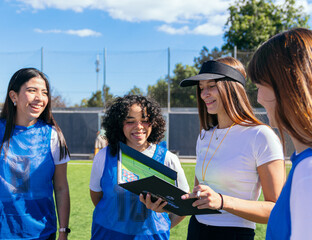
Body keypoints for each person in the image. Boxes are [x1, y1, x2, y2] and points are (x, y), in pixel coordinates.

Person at [179, 57, 285, 240]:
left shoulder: (261, 136)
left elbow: (277, 209)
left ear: (232, 87)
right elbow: (199, 194)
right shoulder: (204, 135)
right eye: (201, 88)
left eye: (211, 86)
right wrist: (167, 202)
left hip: (234, 234)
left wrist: (222, 201)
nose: (204, 94)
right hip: (196, 230)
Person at [0, 68, 71, 240]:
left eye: (44, 92)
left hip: (40, 234)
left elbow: (61, 188)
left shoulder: (54, 135)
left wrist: (63, 231)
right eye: (32, 90)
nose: (39, 98)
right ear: (13, 96)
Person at [89, 95, 190, 239]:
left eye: (145, 120)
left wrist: (163, 225)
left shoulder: (168, 159)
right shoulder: (104, 156)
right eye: (130, 121)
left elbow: (184, 205)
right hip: (107, 234)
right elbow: (97, 197)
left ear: (153, 122)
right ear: (119, 123)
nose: (139, 127)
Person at [248, 27, 312, 240]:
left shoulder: (308, 170)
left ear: (286, 87)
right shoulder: (303, 164)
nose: (257, 98)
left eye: (259, 85)